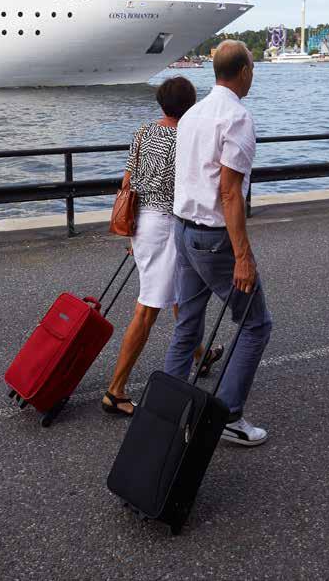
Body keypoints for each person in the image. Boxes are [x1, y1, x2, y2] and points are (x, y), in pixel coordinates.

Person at [164, 40, 272, 446]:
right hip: (213, 239)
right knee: (255, 323)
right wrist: (243, 255)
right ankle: (228, 415)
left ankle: (169, 412)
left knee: (188, 325)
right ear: (244, 71)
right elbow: (230, 193)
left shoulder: (193, 114)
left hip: (184, 229)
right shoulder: (236, 117)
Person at [102, 76, 224, 417]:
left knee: (177, 293)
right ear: (190, 105)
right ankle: (115, 390)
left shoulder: (143, 132)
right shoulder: (186, 137)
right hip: (167, 224)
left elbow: (128, 181)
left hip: (142, 221)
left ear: (160, 103)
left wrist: (133, 233)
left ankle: (199, 356)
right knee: (147, 310)